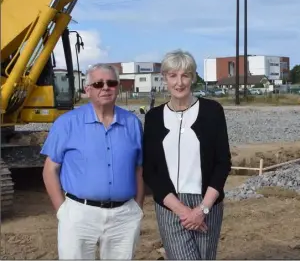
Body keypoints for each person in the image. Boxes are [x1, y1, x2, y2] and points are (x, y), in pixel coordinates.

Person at [41, 63, 145, 260]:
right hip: (79, 215)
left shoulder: (132, 124)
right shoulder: (67, 123)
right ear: (88, 90)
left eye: (111, 83)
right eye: (98, 84)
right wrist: (62, 211)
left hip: (124, 216)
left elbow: (138, 169)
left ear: (118, 87)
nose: (105, 87)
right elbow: (50, 170)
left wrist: (137, 208)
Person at [142, 49, 232, 260]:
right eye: (173, 75)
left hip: (207, 203)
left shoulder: (212, 111)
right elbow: (150, 169)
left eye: (185, 75)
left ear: (193, 77)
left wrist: (203, 209)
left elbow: (222, 163)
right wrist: (182, 210)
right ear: (164, 78)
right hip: (170, 204)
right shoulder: (154, 118)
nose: (179, 82)